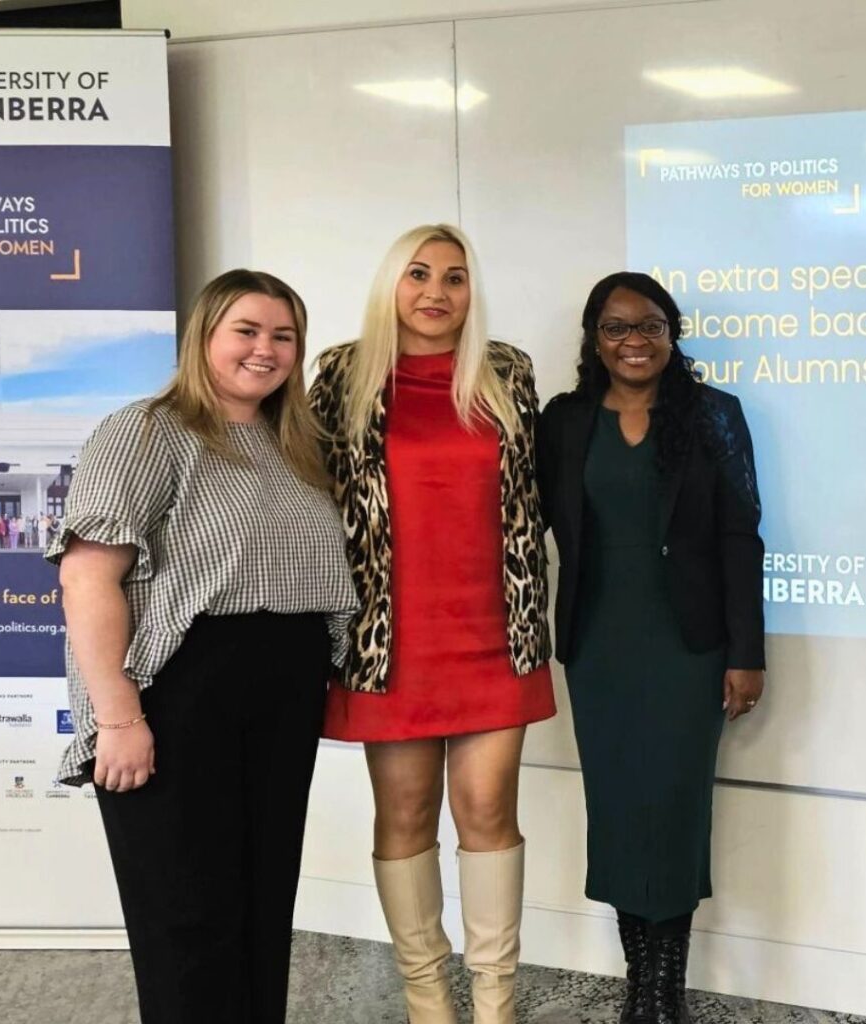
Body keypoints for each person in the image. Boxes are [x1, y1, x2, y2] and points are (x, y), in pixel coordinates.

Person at [46, 269, 357, 1024]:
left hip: (282, 690)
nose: (266, 349)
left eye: (283, 336)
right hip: (179, 691)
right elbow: (88, 579)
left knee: (258, 903)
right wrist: (118, 719)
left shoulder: (298, 445)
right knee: (186, 918)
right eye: (246, 331)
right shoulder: (146, 431)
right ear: (204, 338)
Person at [310, 224, 555, 1024]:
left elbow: (537, 495)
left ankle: (495, 1002)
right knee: (406, 815)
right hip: (390, 643)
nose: (436, 293)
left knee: (488, 813)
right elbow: (306, 497)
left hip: (496, 634)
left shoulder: (506, 373)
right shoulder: (342, 376)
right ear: (392, 284)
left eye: (454, 277)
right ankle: (427, 999)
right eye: (418, 274)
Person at [537, 272, 765, 1023]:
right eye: (616, 328)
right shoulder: (566, 421)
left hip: (689, 647)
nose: (634, 342)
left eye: (650, 327)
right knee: (619, 808)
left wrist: (746, 652)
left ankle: (665, 988)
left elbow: (740, 537)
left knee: (672, 808)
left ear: (672, 333)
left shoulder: (713, 416)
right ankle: (643, 985)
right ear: (593, 339)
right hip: (599, 647)